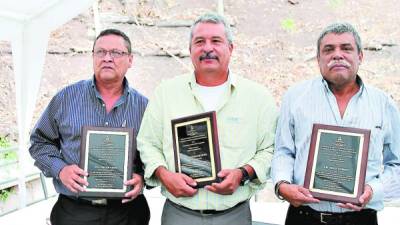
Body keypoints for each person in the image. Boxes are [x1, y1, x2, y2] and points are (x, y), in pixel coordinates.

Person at [136, 13, 277, 225]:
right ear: (190, 49)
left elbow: (271, 148)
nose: (207, 48)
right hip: (179, 214)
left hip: (234, 215)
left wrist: (242, 174)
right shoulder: (165, 93)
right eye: (199, 42)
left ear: (230, 48)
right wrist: (164, 174)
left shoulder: (258, 97)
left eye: (216, 41)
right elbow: (147, 143)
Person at [272, 22, 400, 225]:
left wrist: (373, 191)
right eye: (329, 49)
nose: (337, 55)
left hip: (361, 218)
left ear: (360, 56)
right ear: (318, 59)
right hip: (305, 217)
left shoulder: (383, 104)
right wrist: (282, 185)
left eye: (346, 48)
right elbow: (283, 151)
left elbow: (396, 164)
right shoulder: (295, 98)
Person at [29, 29, 150, 225]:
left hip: (128, 213)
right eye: (100, 52)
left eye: (116, 53)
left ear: (130, 59)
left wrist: (143, 178)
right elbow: (39, 142)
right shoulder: (66, 98)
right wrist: (60, 169)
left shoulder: (145, 107)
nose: (107, 58)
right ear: (93, 57)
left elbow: (155, 153)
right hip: (74, 211)